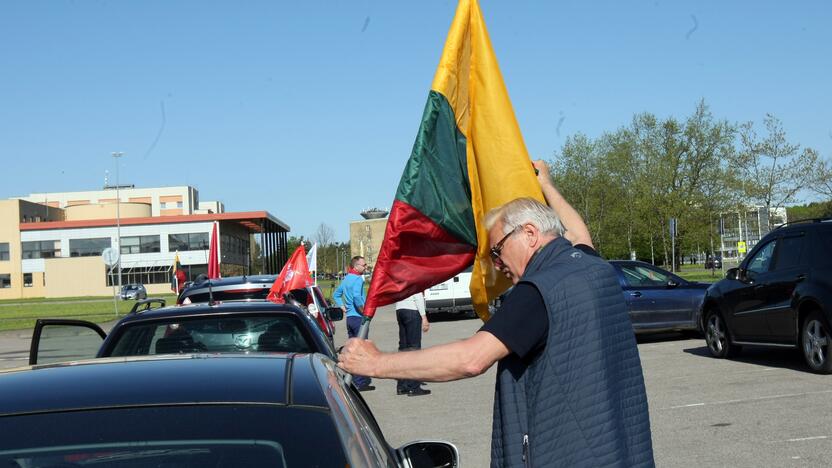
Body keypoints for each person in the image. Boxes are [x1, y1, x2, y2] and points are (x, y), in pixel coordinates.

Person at [339, 161, 654, 467]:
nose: (497, 264)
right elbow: (580, 233)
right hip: (617, 449)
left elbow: (470, 359)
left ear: (529, 233)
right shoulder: (591, 267)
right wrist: (546, 185)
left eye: (497, 251)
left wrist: (376, 363)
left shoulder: (539, 290)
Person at [333, 256, 373, 391]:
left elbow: (336, 295)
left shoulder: (347, 278)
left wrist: (342, 306)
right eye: (364, 265)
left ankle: (353, 379)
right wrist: (364, 313)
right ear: (356, 266)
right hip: (358, 318)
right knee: (361, 349)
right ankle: (360, 382)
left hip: (350, 318)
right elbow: (357, 297)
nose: (365, 267)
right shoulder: (357, 279)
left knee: (353, 349)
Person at [394, 291, 431, 396]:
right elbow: (418, 296)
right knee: (414, 349)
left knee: (403, 349)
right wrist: (424, 317)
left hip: (400, 309)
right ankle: (414, 387)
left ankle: (402, 385)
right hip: (412, 310)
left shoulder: (399, 277)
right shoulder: (414, 275)